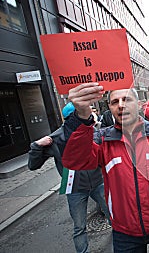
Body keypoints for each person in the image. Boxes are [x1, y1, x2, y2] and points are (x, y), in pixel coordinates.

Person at [61, 83, 149, 252]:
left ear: (138, 104)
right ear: (109, 108)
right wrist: (81, 117)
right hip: (125, 233)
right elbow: (75, 161)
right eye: (115, 102)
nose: (121, 105)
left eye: (126, 99)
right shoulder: (102, 139)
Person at [28, 102, 110, 253]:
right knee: (79, 227)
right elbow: (33, 165)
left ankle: (120, 247)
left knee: (114, 216)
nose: (89, 115)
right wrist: (37, 146)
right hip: (75, 189)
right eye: (84, 113)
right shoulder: (56, 138)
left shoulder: (94, 131)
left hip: (99, 183)